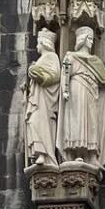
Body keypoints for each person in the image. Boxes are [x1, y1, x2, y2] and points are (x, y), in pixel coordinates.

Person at [60, 26, 105, 168]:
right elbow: (65, 75)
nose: (91, 43)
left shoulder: (95, 60)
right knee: (78, 121)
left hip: (91, 91)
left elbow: (104, 79)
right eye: (89, 39)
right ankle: (78, 153)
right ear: (82, 40)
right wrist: (65, 90)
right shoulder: (71, 57)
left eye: (92, 39)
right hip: (77, 88)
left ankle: (92, 156)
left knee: (92, 121)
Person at [25, 30, 61, 167]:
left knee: (41, 123)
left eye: (38, 43)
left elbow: (55, 75)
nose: (36, 47)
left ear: (44, 43)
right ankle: (39, 153)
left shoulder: (52, 57)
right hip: (37, 98)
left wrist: (36, 73)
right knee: (34, 122)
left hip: (45, 101)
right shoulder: (41, 59)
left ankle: (46, 154)